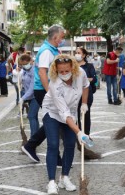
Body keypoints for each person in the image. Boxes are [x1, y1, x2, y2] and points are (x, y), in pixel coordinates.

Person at [42, 54, 90, 194]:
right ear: (56, 70)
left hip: (72, 112)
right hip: (52, 112)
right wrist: (79, 132)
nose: (63, 74)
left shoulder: (81, 73)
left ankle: (64, 177)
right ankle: (51, 182)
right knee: (53, 144)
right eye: (60, 71)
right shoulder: (54, 84)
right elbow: (64, 113)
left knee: (70, 144)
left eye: (66, 71)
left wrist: (85, 103)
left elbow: (86, 86)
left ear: (73, 68)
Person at [21, 24, 65, 163]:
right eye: (62, 37)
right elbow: (42, 72)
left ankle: (32, 146)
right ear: (55, 36)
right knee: (53, 121)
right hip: (43, 90)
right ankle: (34, 147)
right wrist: (50, 93)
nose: (63, 39)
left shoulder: (53, 49)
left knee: (53, 121)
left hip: (48, 90)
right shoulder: (46, 51)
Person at [18, 54, 40, 137]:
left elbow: (32, 88)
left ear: (30, 61)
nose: (24, 66)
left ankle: (33, 137)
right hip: (30, 97)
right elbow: (22, 83)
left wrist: (23, 98)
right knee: (34, 117)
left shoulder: (34, 71)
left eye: (25, 64)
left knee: (31, 116)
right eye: (22, 64)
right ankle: (36, 136)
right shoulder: (24, 70)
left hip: (36, 96)